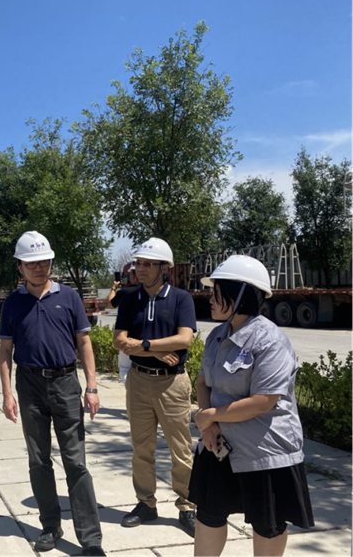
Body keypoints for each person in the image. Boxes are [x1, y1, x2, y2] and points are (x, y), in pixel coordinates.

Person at [189, 255, 313, 556]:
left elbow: (262, 401)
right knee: (209, 514)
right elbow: (203, 381)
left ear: (241, 294)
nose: (210, 298)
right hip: (219, 443)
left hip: (265, 452)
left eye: (218, 291)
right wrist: (209, 425)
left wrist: (209, 415)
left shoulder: (270, 341)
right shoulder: (217, 335)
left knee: (268, 524)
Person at [0, 231, 106, 557]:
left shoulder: (69, 297)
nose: (39, 267)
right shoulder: (13, 303)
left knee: (75, 461)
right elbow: (5, 351)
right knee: (38, 459)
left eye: (44, 261)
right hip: (29, 386)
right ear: (20, 266)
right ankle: (50, 526)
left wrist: (91, 386)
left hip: (65, 383)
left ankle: (91, 539)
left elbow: (84, 342)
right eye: (31, 263)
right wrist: (7, 393)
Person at [113, 237, 197, 536]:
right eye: (139, 263)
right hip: (139, 380)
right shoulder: (129, 299)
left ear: (165, 268)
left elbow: (185, 339)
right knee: (141, 448)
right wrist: (155, 352)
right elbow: (119, 341)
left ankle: (187, 505)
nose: (141, 268)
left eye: (149, 264)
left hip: (172, 382)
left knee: (180, 449)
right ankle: (146, 503)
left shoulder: (181, 299)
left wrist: (146, 345)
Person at [108, 263, 140, 383]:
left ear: (133, 276)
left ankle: (133, 390)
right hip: (146, 340)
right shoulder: (151, 293)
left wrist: (114, 288)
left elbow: (110, 304)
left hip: (127, 339)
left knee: (125, 369)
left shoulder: (124, 292)